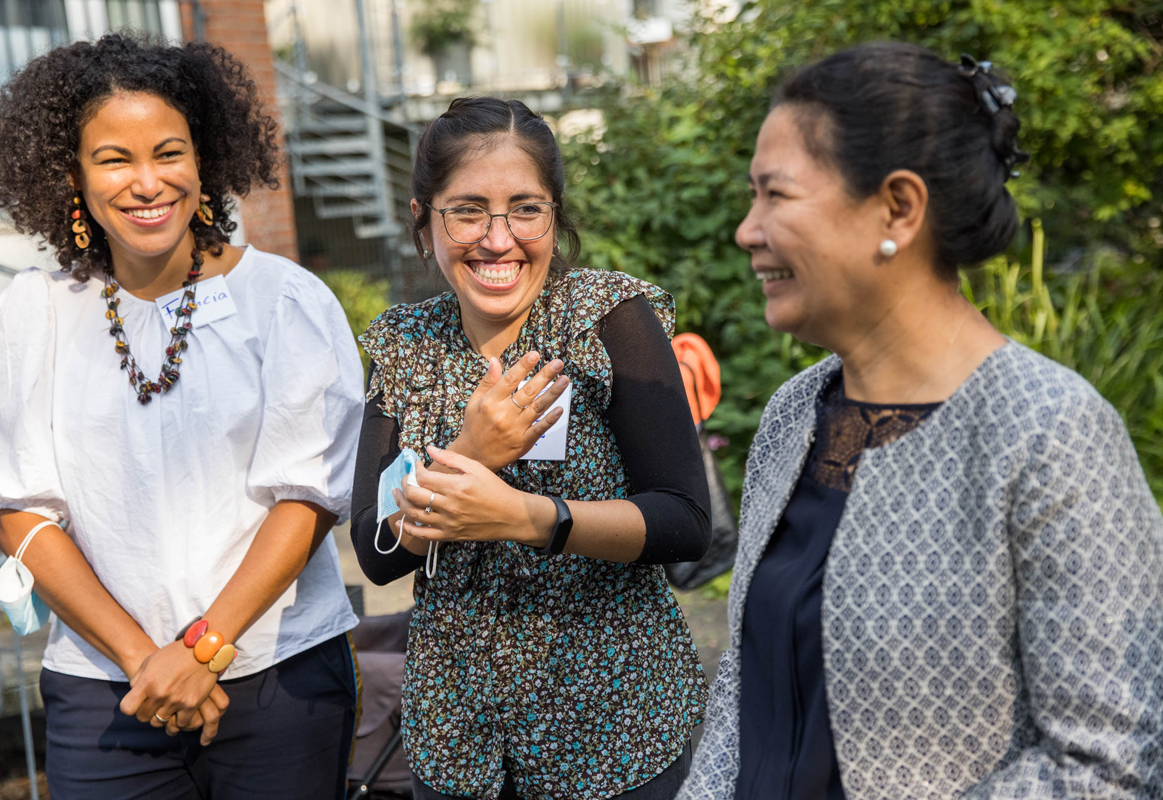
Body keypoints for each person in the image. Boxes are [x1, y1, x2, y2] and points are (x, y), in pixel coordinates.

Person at [679, 42, 1163, 800]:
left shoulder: (1049, 435)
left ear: (898, 208)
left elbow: (1107, 764)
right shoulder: (793, 416)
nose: (747, 229)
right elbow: (740, 706)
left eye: (775, 195)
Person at [0, 34, 364, 799]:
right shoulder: (34, 312)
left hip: (278, 676)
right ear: (71, 174)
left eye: (169, 153)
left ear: (206, 159)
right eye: (114, 158)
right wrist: (150, 662)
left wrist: (202, 650)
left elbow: (307, 496)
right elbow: (21, 511)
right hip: (105, 689)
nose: (147, 182)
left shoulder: (284, 302)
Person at [351, 97, 711, 800]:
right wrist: (471, 452)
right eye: (467, 210)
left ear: (554, 216)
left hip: (617, 730)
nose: (497, 238)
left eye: (525, 208)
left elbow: (683, 521)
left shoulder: (607, 320)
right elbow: (375, 551)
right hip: (459, 741)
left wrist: (527, 516)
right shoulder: (402, 344)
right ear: (425, 221)